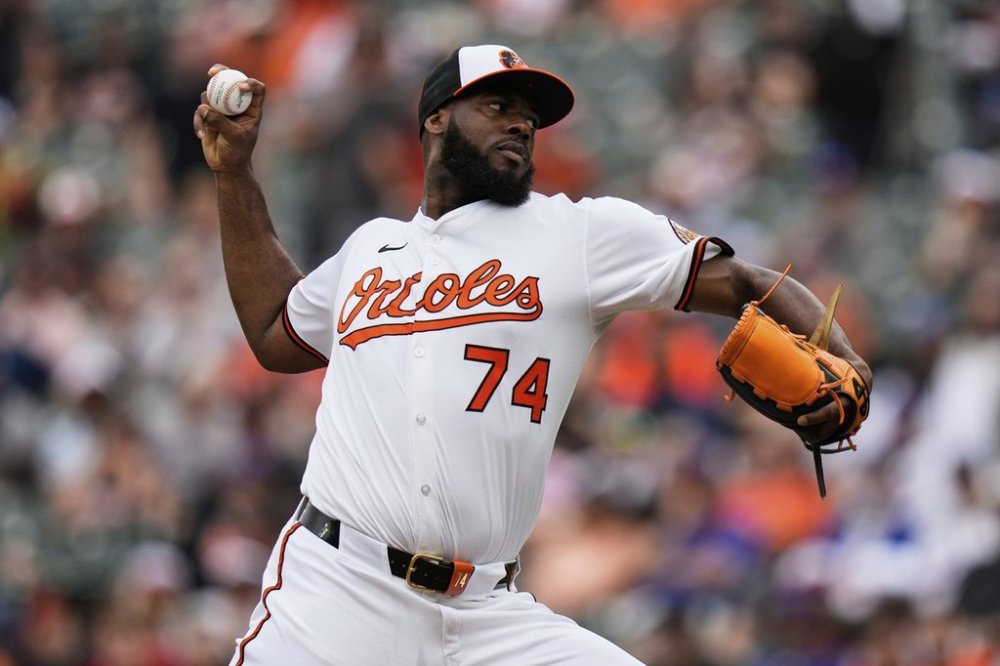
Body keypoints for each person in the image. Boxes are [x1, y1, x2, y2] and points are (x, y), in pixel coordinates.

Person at [193, 44, 873, 666]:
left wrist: (849, 362)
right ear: (436, 119)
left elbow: (750, 282)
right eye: (496, 107)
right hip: (339, 591)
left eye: (528, 116)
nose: (519, 124)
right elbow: (275, 332)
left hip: (488, 612)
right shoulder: (372, 247)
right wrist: (233, 174)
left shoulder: (578, 234)